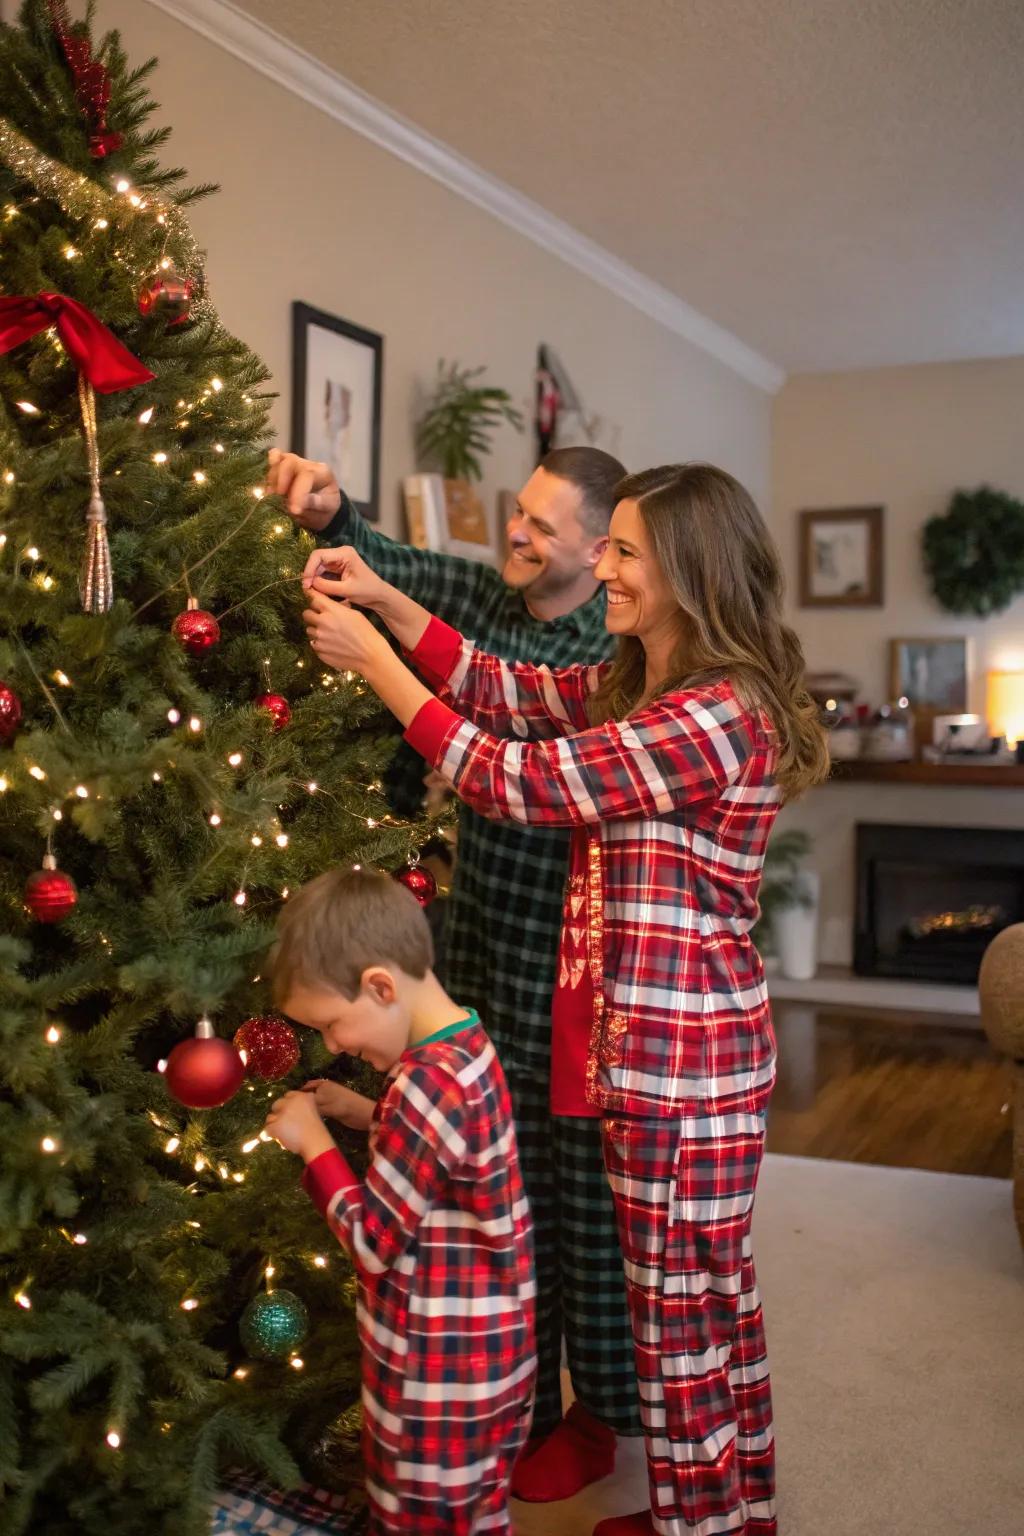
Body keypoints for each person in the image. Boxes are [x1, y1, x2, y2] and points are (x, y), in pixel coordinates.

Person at [297, 463, 831, 1536]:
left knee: (685, 1320)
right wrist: (395, 608)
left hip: (685, 1068)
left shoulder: (713, 716)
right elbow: (503, 689)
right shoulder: (648, 687)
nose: (604, 566)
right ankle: (733, 1512)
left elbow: (517, 780)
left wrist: (379, 672)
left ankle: (701, 1524)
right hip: (662, 1055)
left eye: (624, 550)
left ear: (688, 569)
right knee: (700, 1304)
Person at [267, 445, 644, 1499]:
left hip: (568, 959)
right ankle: (509, 1402)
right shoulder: (487, 592)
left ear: (598, 549)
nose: (515, 535)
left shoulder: (604, 651)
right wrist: (335, 514)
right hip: (475, 933)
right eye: (516, 515)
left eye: (541, 526)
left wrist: (385, 656)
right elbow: (392, 569)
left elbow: (493, 741)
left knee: (573, 1198)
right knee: (494, 1187)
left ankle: (599, 1414)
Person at [264, 866, 536, 1536]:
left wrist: (315, 1146)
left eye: (331, 1024)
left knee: (420, 1520)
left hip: (434, 1373)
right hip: (491, 1354)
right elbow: (444, 1153)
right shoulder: (465, 1045)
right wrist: (362, 1112)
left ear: (381, 985)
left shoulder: (420, 1088)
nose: (333, 1046)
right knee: (476, 1512)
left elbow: (373, 1243)